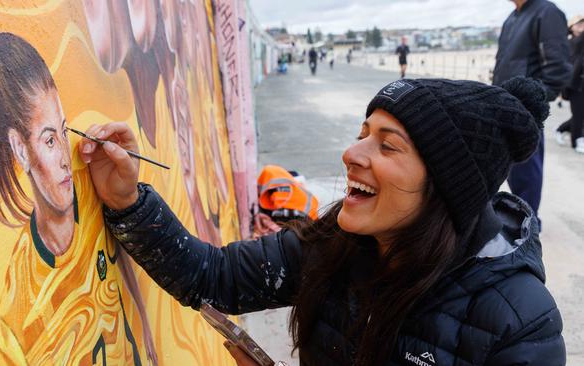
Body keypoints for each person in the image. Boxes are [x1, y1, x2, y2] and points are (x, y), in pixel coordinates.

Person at [79, 76, 565, 365]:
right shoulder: (337, 242)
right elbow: (212, 276)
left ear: (444, 189)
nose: (351, 153)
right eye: (361, 134)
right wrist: (126, 200)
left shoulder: (518, 321)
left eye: (387, 144)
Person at [0, 22, 157, 364]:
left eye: (65, 132)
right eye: (50, 140)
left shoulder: (89, 188)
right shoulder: (20, 297)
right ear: (20, 150)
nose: (66, 159)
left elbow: (127, 278)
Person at [492, 0, 572, 226]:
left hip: (527, 107)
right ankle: (511, 216)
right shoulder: (512, 17)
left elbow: (558, 68)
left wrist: (535, 99)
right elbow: (503, 64)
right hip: (504, 102)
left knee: (526, 169)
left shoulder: (547, 12)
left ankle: (527, 224)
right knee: (507, 167)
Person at [555, 15, 584, 153]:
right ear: (571, 27)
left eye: (583, 23)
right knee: (578, 114)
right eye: (578, 24)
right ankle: (577, 141)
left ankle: (561, 129)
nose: (581, 26)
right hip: (573, 84)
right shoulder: (568, 43)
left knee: (580, 115)